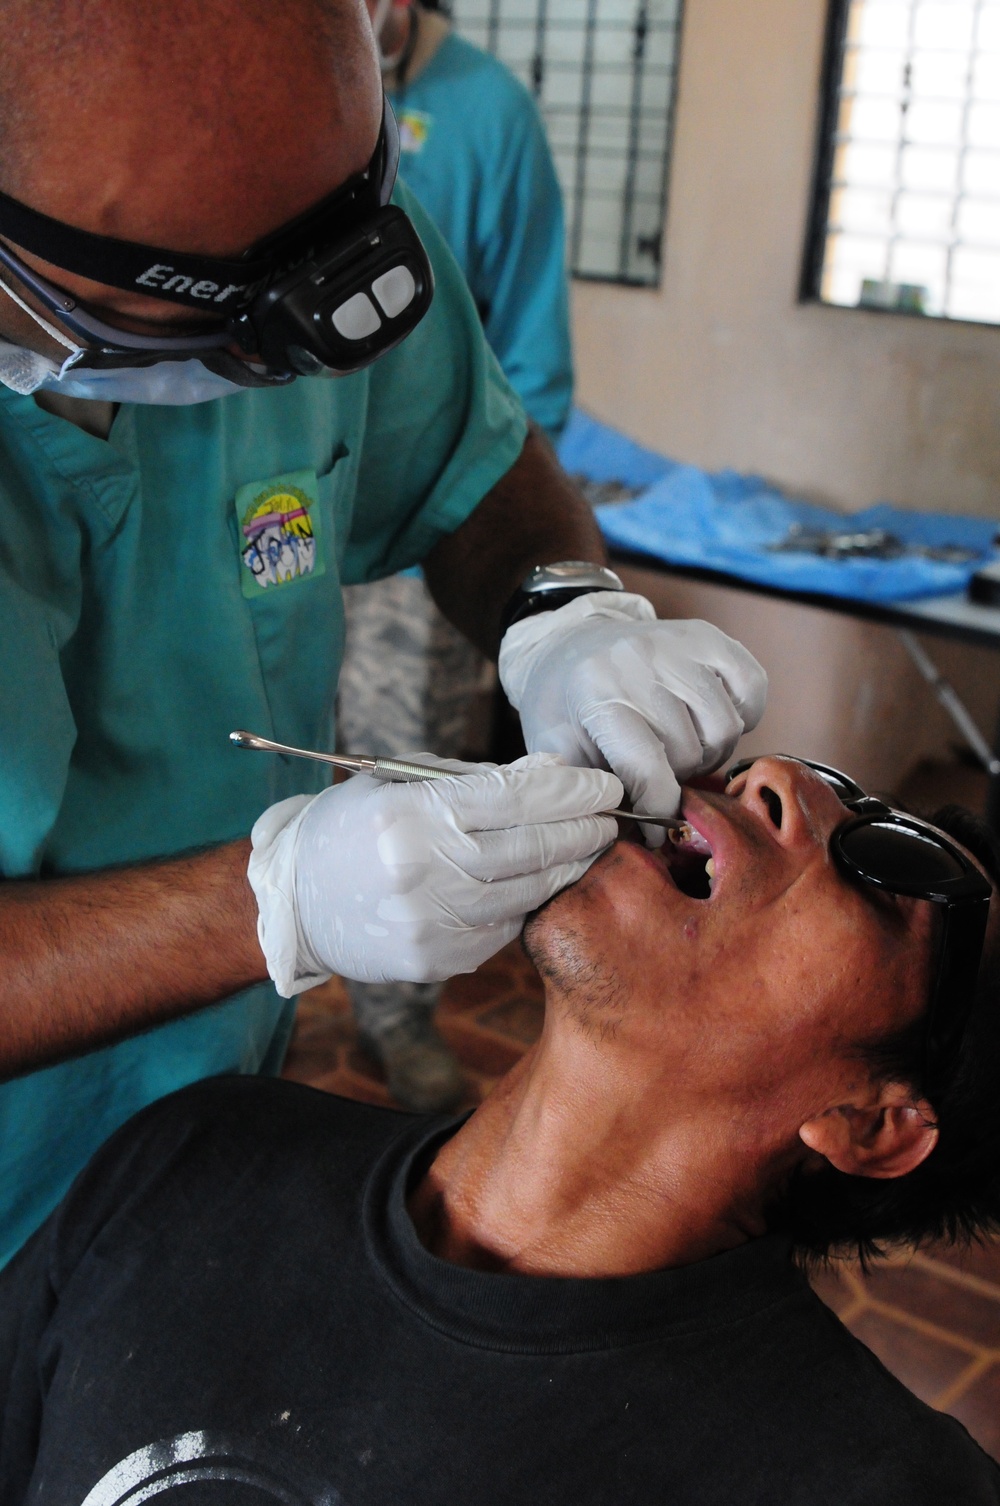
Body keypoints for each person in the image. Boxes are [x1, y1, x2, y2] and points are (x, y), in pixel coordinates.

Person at [0, 0, 767, 1269]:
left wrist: (562, 609)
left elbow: (469, 458)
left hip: (197, 1148)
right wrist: (269, 904)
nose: (299, 367)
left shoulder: (304, 217)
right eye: (206, 324)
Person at [2, 755, 999, 1504]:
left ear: (870, 1124)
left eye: (891, 862)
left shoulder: (872, 1487)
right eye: (826, 777)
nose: (771, 773)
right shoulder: (192, 1159)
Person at [337, 0, 574, 1110]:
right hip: (273, 493)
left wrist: (563, 601)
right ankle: (243, 1008)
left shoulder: (486, 112)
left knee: (411, 771)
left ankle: (399, 1019)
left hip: (420, 500)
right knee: (239, 761)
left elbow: (526, 355)